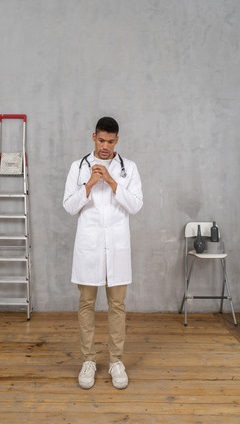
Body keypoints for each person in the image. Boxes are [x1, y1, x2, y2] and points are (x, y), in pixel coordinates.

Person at [63, 117, 143, 389]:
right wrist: (88, 184)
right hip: (89, 248)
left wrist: (110, 181)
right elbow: (70, 207)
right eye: (101, 140)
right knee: (86, 304)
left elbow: (135, 206)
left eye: (110, 141)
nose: (105, 146)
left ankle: (116, 361)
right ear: (93, 136)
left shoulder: (128, 168)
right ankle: (88, 360)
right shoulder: (78, 167)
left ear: (117, 140)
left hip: (117, 248)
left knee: (117, 306)